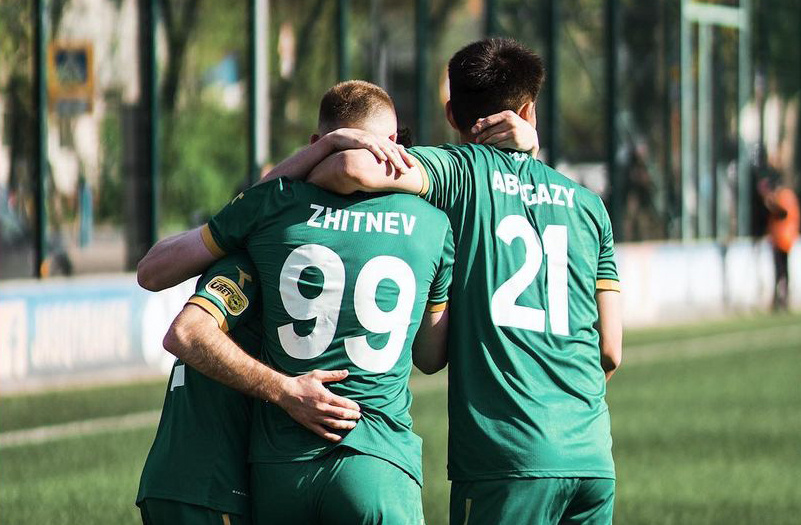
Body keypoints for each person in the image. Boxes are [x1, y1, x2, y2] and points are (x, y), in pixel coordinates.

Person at [300, 38, 624, 524]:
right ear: (529, 111)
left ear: (452, 114)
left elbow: (352, 168)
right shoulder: (588, 205)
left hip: (506, 459)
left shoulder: (460, 172)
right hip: (592, 459)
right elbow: (610, 351)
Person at [137, 80, 456, 524]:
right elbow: (431, 356)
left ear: (316, 142)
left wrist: (319, 154)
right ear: (395, 144)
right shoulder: (434, 223)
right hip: (378, 455)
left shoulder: (271, 207)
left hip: (280, 467)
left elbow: (152, 272)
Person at [136, 253, 262, 525]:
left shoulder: (229, 262)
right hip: (209, 489)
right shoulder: (245, 269)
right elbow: (185, 333)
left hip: (171, 483)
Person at [758, 175, 800, 311]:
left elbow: (782, 214)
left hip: (782, 238)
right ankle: (781, 298)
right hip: (785, 238)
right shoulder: (788, 195)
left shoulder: (783, 196)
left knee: (780, 270)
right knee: (782, 270)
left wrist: (770, 204)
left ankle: (780, 298)